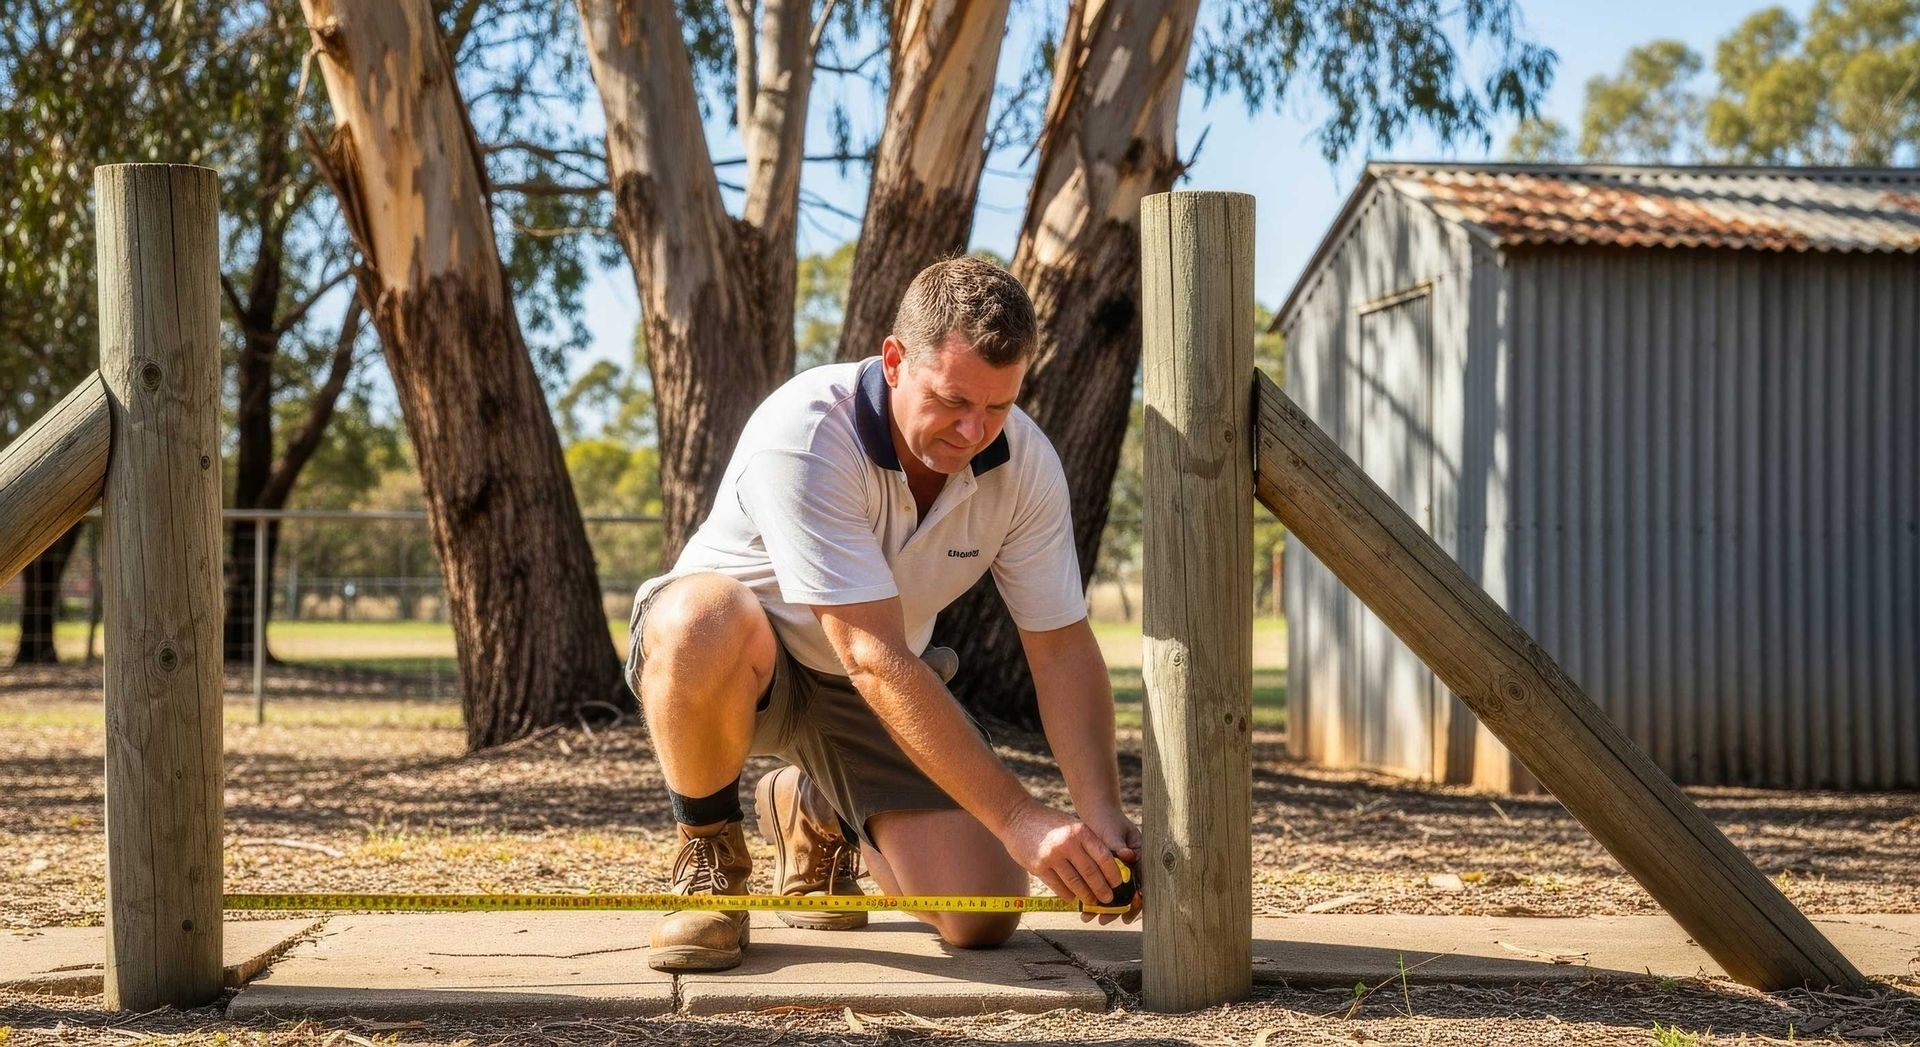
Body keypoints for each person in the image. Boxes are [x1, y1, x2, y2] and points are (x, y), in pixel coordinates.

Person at [625, 255, 1143, 972]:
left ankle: (816, 809)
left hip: (872, 682)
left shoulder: (1024, 462)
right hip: (743, 662)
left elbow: (1059, 648)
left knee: (980, 914)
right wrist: (1021, 816)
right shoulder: (807, 429)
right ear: (895, 360)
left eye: (998, 406)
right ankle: (709, 853)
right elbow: (871, 654)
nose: (973, 431)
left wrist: (1102, 814)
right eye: (953, 399)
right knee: (700, 615)